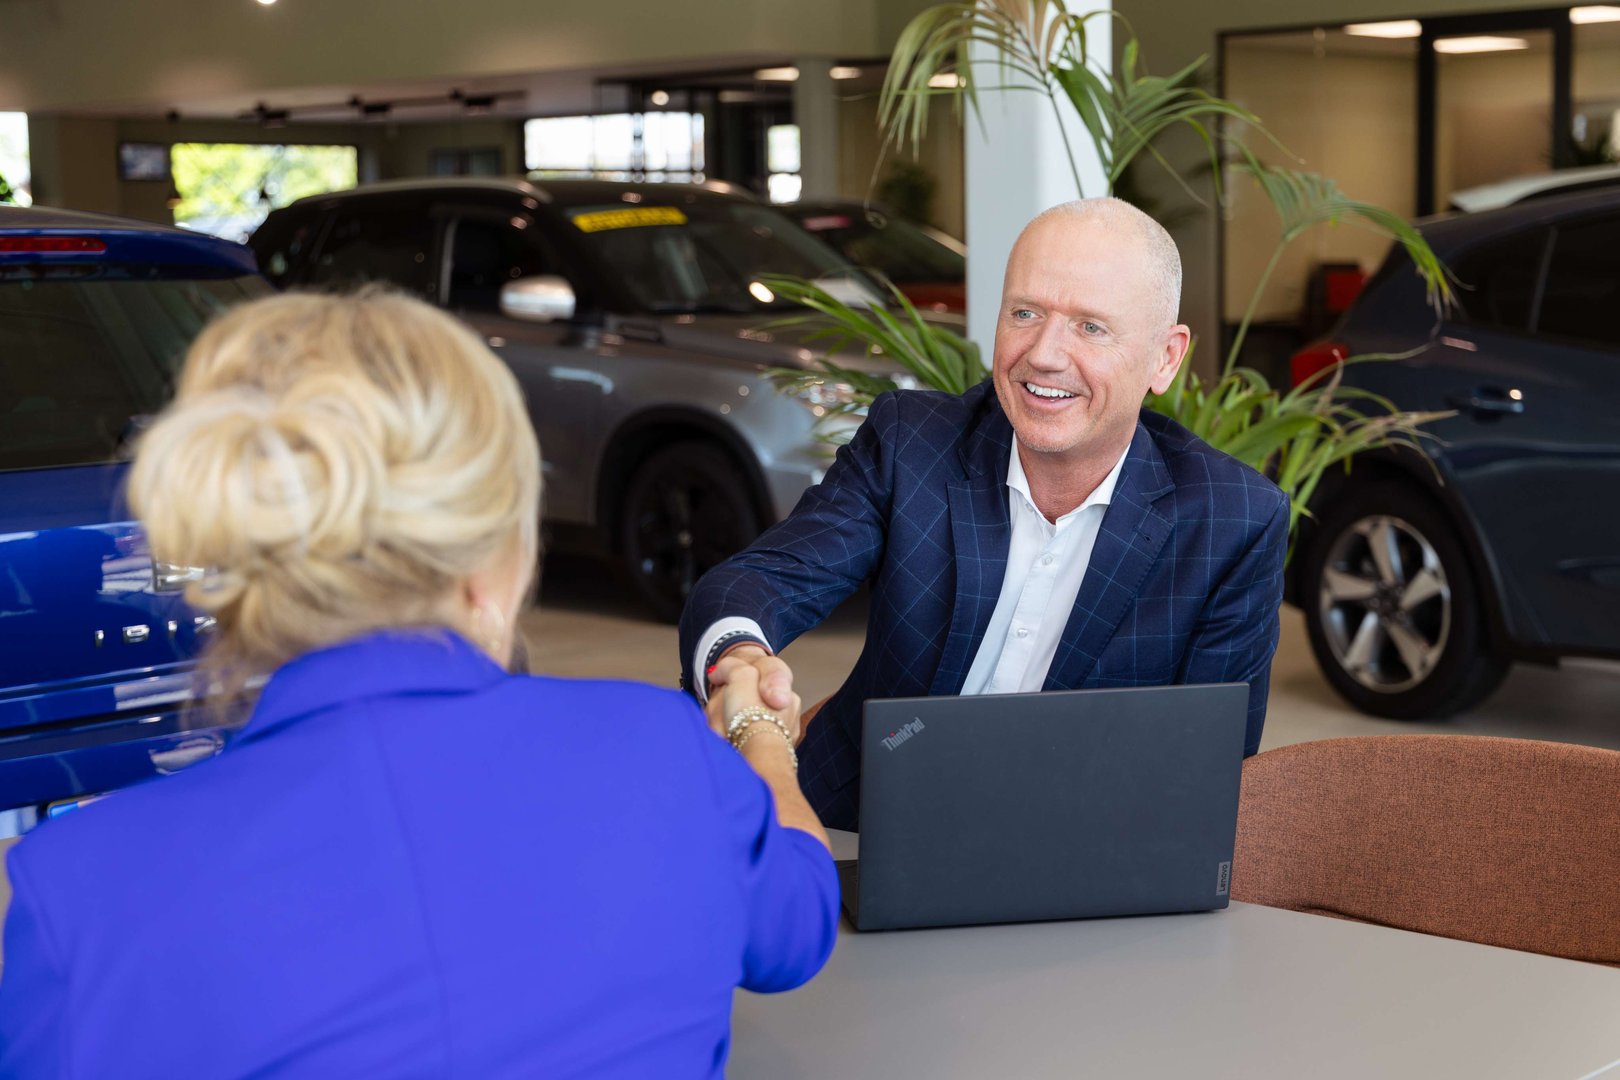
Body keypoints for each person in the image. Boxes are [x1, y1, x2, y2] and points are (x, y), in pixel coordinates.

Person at [0, 292, 836, 1079]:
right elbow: (797, 924)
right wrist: (758, 737)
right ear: (494, 561)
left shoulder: (75, 890)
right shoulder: (664, 752)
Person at [680, 198, 1289, 832]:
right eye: (1025, 313)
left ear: (1165, 357)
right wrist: (741, 652)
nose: (1045, 355)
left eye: (1091, 327)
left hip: (1076, 857)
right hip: (852, 827)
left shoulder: (1233, 520)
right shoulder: (910, 444)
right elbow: (763, 578)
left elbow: (1207, 767)